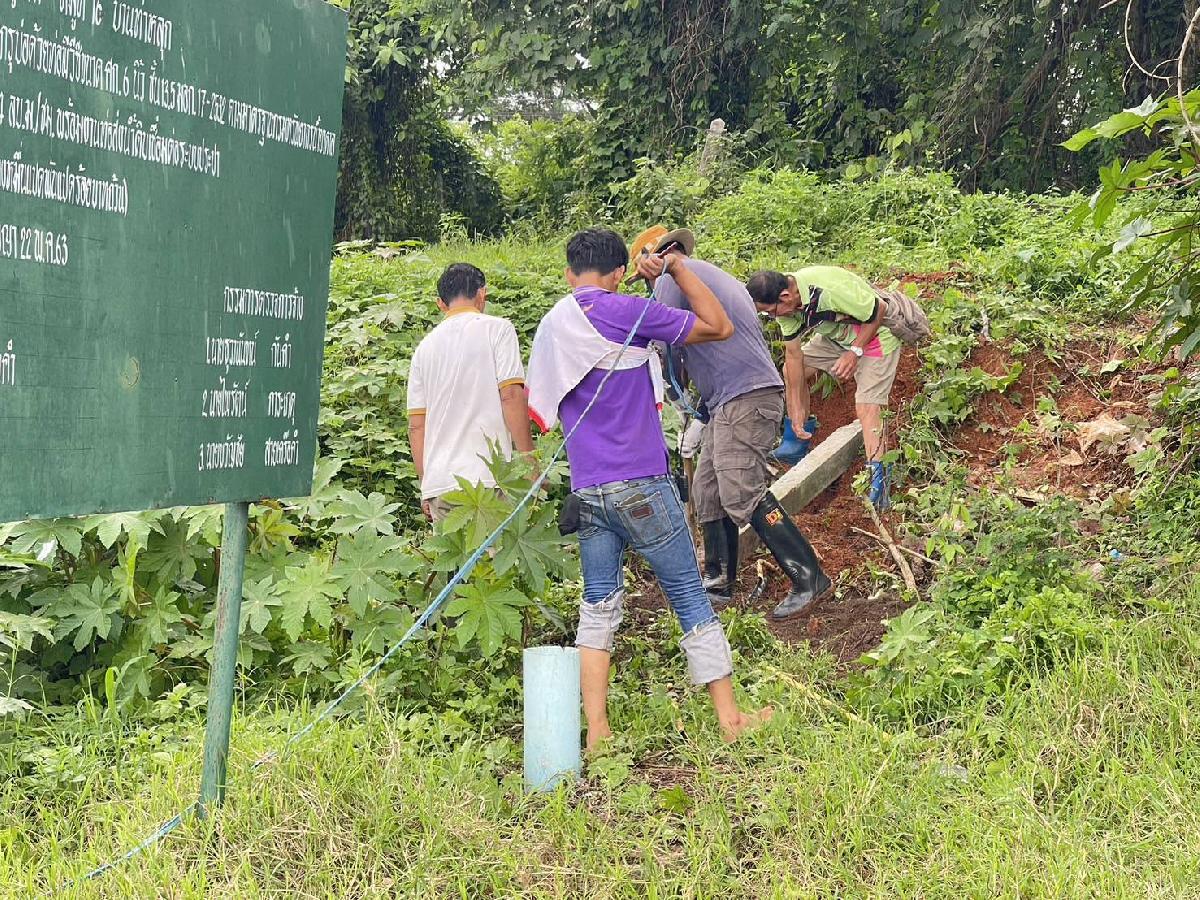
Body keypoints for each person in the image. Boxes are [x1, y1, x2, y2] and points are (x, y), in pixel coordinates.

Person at [525, 227, 769, 750]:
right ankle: (730, 720)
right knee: (688, 593)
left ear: (569, 274)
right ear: (619, 272)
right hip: (642, 485)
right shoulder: (629, 312)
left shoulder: (552, 324)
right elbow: (718, 325)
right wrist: (676, 267)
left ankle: (598, 731)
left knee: (597, 605)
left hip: (588, 492)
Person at [633, 228, 831, 620]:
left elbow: (669, 351)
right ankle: (718, 580)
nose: (647, 286)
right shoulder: (707, 276)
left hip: (745, 398)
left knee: (741, 491)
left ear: (656, 259)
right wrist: (699, 413)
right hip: (730, 400)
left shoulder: (673, 280)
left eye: (644, 277)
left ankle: (809, 577)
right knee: (707, 490)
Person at [746, 266, 902, 509]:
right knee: (792, 370)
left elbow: (879, 309)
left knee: (867, 406)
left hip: (875, 335)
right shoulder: (786, 307)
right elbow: (794, 356)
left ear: (785, 296)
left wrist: (855, 352)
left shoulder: (828, 290)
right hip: (837, 336)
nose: (772, 317)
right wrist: (795, 410)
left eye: (770, 311)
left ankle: (879, 487)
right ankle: (796, 442)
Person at [406, 263, 534, 523]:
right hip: (488, 479)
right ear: (482, 293)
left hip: (440, 484)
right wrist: (529, 462)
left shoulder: (423, 349)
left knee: (454, 552)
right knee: (494, 551)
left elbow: (416, 426)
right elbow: (510, 395)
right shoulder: (498, 329)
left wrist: (426, 485)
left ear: (441, 304)